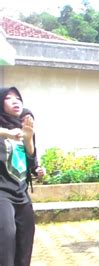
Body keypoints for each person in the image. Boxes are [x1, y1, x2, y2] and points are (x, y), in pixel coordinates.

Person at [0, 87, 36, 266]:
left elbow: (31, 161)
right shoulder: (4, 131)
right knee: (6, 237)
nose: (16, 101)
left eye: (18, 98)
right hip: (1, 194)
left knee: (25, 239)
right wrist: (6, 133)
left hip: (21, 193)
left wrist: (28, 139)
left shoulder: (23, 128)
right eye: (8, 98)